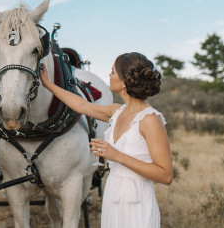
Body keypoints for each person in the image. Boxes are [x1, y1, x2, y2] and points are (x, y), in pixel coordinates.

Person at [40, 52, 172, 228]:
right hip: (113, 193)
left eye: (112, 72)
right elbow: (81, 105)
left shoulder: (150, 120)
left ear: (125, 82)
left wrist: (116, 155)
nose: (109, 76)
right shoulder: (116, 112)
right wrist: (49, 85)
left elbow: (165, 175)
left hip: (137, 200)